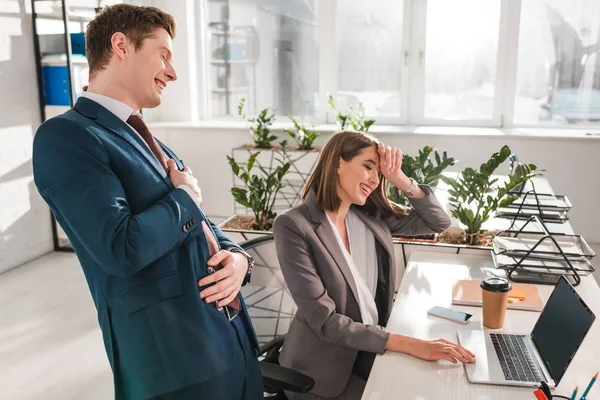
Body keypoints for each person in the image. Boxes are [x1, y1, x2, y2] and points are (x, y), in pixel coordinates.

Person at [32, 5, 262, 399]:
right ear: (121, 45)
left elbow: (198, 224)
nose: (172, 73)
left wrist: (239, 257)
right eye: (164, 55)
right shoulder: (65, 137)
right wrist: (184, 195)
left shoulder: (151, 141)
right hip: (176, 368)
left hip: (234, 345)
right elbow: (122, 247)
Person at [272, 130, 476, 399]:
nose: (373, 179)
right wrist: (410, 344)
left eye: (378, 173)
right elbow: (326, 321)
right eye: (367, 167)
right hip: (322, 374)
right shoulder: (294, 226)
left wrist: (400, 179)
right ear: (337, 163)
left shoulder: (369, 217)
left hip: (370, 354)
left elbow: (438, 222)